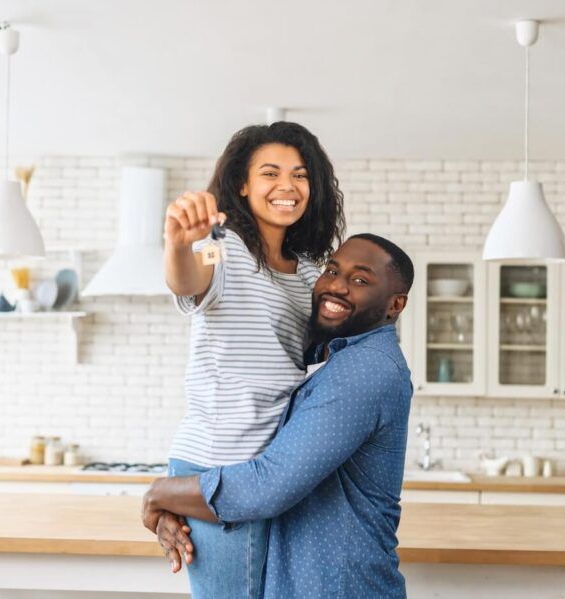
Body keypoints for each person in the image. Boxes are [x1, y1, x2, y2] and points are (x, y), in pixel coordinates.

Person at [144, 234, 414, 599]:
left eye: (360, 280)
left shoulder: (363, 371)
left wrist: (161, 493)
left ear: (395, 304)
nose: (336, 285)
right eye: (332, 270)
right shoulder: (337, 359)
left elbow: (269, 486)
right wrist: (174, 504)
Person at [162, 121, 345, 599]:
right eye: (270, 173)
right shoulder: (222, 247)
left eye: (300, 175)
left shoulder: (308, 274)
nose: (287, 186)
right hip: (220, 464)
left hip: (272, 471)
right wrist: (180, 242)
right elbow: (187, 282)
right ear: (242, 185)